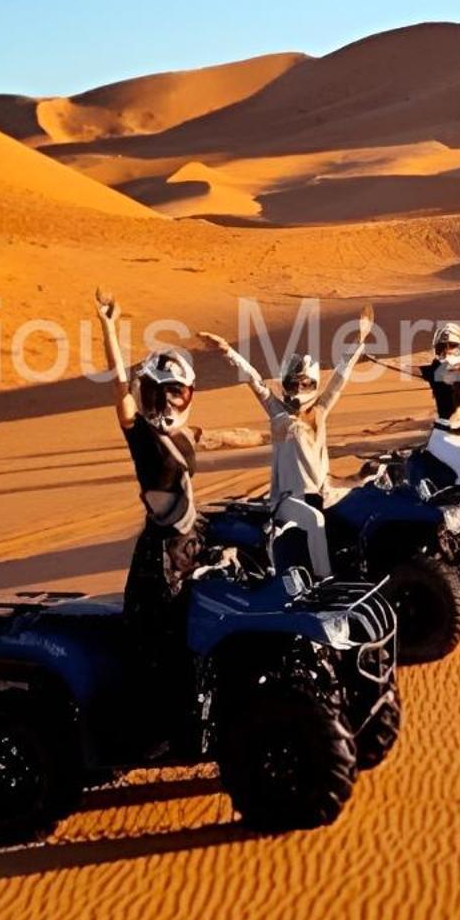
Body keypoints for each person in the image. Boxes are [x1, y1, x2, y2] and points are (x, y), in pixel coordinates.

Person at [200, 303, 374, 578]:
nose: (298, 390)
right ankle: (324, 580)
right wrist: (226, 351)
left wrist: (359, 340)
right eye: (293, 384)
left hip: (322, 493)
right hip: (287, 499)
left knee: (369, 500)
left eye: (305, 384)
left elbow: (340, 377)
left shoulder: (319, 412)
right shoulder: (277, 413)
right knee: (315, 521)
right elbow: (254, 380)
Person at [95, 290, 201, 706]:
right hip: (158, 557)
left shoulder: (183, 436)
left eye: (178, 393)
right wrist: (109, 327)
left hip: (187, 546)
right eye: (163, 392)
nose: (170, 401)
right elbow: (118, 386)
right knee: (152, 639)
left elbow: (219, 439)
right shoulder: (141, 434)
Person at [421, 288, 460, 482]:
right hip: (444, 436)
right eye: (442, 349)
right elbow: (406, 368)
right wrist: (374, 360)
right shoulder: (435, 371)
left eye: (452, 347)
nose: (447, 353)